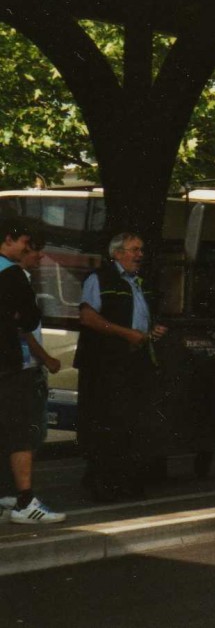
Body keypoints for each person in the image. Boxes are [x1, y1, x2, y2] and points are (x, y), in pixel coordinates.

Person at [76, 232, 167, 501]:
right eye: (134, 250)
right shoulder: (99, 279)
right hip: (107, 364)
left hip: (134, 361)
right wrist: (125, 334)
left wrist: (153, 330)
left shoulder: (140, 282)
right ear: (117, 253)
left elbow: (143, 317)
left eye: (141, 250)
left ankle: (123, 480)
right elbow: (88, 317)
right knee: (109, 422)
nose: (140, 255)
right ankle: (104, 483)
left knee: (131, 422)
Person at [0, 219, 65, 524]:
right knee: (22, 434)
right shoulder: (11, 273)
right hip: (11, 366)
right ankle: (25, 502)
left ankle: (6, 497)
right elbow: (29, 319)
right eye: (26, 242)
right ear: (9, 238)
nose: (30, 249)